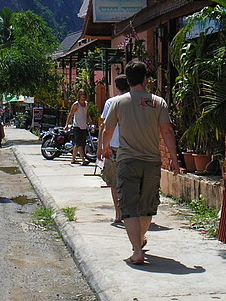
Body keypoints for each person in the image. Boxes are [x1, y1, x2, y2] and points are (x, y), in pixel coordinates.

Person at [100, 61, 180, 265]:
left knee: (129, 207)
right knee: (146, 207)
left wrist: (105, 147)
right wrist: (173, 158)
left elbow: (107, 129)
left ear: (128, 80)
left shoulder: (118, 102)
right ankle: (140, 239)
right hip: (152, 162)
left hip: (127, 161)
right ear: (146, 79)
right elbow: (167, 131)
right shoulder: (158, 102)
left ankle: (137, 250)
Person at [98, 74, 130, 224]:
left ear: (116, 86)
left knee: (114, 182)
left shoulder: (111, 102)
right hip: (131, 147)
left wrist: (101, 148)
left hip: (112, 147)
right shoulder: (135, 101)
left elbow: (104, 127)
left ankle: (118, 213)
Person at [65, 89, 91, 165]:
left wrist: (90, 121)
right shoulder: (76, 104)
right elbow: (70, 114)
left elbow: (87, 115)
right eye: (82, 95)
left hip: (83, 126)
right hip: (77, 126)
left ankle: (73, 159)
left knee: (78, 144)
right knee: (80, 144)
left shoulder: (86, 104)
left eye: (84, 95)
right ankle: (83, 160)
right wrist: (66, 124)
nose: (83, 97)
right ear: (79, 96)